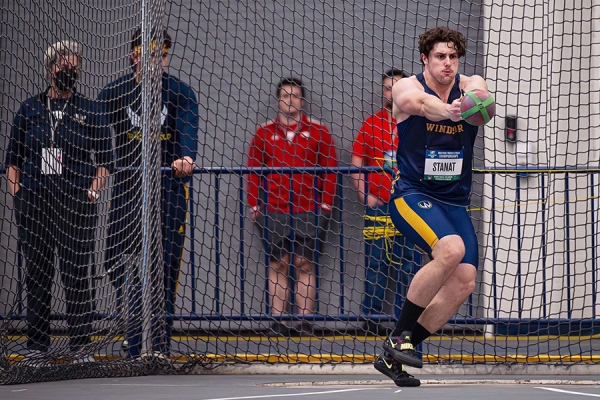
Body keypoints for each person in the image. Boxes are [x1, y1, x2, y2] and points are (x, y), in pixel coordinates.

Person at [374, 26, 491, 385]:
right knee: (450, 250)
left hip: (454, 201)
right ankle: (398, 335)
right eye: (440, 56)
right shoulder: (406, 88)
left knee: (465, 282)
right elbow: (421, 105)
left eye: (453, 56)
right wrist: (448, 111)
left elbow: (481, 94)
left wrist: (472, 99)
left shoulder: (470, 84)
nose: (448, 63)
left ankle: (395, 351)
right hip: (412, 195)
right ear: (425, 58)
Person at [5, 40, 113, 363]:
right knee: (37, 276)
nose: (69, 69)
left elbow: (105, 161)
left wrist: (92, 192)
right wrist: (18, 195)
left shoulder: (89, 109)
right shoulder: (29, 109)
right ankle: (38, 348)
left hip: (75, 204)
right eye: (63, 64)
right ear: (51, 67)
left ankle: (81, 347)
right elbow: (13, 160)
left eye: (74, 64)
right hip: (36, 205)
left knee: (77, 275)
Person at [98, 26, 199, 357]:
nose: (157, 59)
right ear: (135, 55)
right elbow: (97, 133)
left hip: (167, 192)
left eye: (163, 54)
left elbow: (186, 129)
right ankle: (132, 330)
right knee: (118, 260)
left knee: (165, 269)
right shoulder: (115, 93)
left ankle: (158, 346)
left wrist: (186, 156)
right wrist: (100, 166)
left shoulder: (180, 93)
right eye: (150, 53)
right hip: (128, 192)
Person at [247, 77, 338, 336]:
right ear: (278, 100)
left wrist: (326, 206)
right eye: (286, 96)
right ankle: (277, 322)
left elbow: (330, 171)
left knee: (304, 263)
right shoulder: (264, 132)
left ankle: (305, 322)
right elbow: (253, 171)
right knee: (279, 263)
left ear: (303, 100)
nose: (291, 100)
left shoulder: (319, 131)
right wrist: (255, 205)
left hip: (308, 209)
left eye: (295, 96)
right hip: (274, 210)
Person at [351, 68, 422, 339]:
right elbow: (356, 162)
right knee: (376, 263)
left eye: (397, 86)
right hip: (379, 207)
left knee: (410, 266)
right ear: (384, 92)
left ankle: (407, 322)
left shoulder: (417, 121)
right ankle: (369, 319)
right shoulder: (371, 124)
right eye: (388, 87)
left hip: (410, 206)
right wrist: (363, 194)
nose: (392, 92)